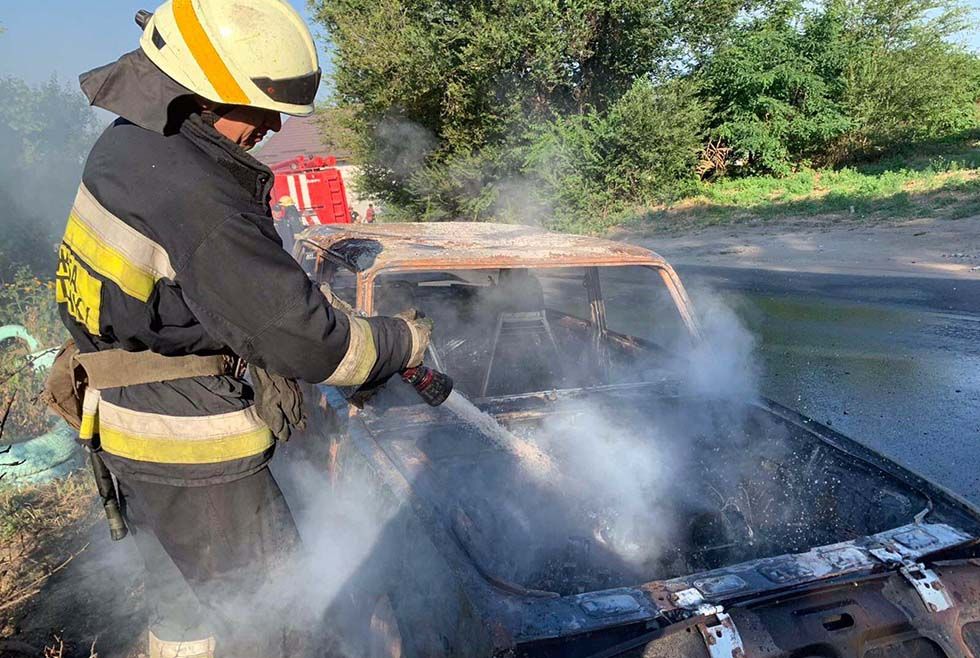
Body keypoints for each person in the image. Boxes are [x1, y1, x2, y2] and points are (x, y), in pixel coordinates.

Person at [57, 2, 431, 656]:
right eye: (260, 108)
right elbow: (307, 341)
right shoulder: (193, 189)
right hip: (193, 453)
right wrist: (403, 341)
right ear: (202, 94)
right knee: (277, 619)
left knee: (183, 607)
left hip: (129, 425)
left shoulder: (130, 144)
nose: (274, 126)